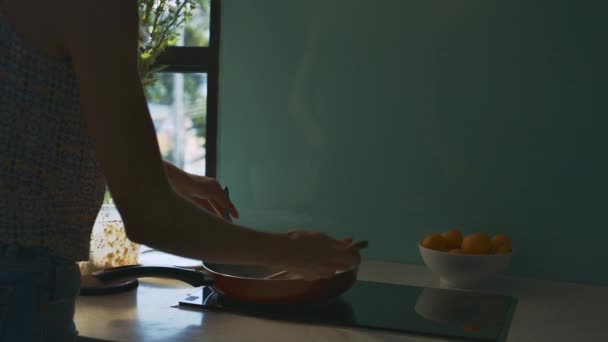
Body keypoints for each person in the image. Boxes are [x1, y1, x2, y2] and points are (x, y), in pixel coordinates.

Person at [0, 0, 360, 340]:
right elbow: (150, 219)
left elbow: (32, 133)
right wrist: (292, 251)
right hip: (21, 286)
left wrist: (176, 179)